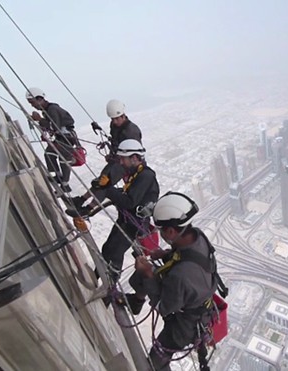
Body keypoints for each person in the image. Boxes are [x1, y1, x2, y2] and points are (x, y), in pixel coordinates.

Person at [124, 191, 227, 371]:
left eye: (161, 230)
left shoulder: (181, 276)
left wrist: (149, 274)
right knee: (143, 274)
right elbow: (189, 254)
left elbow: (163, 306)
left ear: (171, 231)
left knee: (157, 359)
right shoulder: (197, 235)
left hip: (186, 324)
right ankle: (136, 302)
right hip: (198, 301)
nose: (160, 234)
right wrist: (166, 255)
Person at [92, 139, 159, 288]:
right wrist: (108, 187)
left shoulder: (145, 176)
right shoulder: (137, 174)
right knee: (108, 248)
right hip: (127, 219)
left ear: (134, 158)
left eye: (123, 159)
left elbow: (129, 202)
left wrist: (107, 189)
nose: (121, 163)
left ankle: (110, 289)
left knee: (115, 252)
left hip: (134, 224)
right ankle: (96, 276)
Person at [70, 99, 142, 216]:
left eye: (117, 119)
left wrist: (115, 158)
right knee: (101, 180)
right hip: (118, 160)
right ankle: (82, 199)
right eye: (112, 119)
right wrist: (111, 153)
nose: (114, 121)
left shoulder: (131, 131)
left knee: (104, 184)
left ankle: (89, 208)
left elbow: (132, 152)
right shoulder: (114, 125)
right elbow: (115, 143)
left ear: (123, 116)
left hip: (127, 164)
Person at [26, 87, 78, 192]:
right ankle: (58, 176)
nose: (33, 105)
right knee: (49, 153)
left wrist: (40, 120)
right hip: (61, 137)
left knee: (64, 159)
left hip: (66, 137)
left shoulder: (52, 109)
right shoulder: (47, 110)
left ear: (39, 99)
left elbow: (55, 126)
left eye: (33, 102)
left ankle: (65, 184)